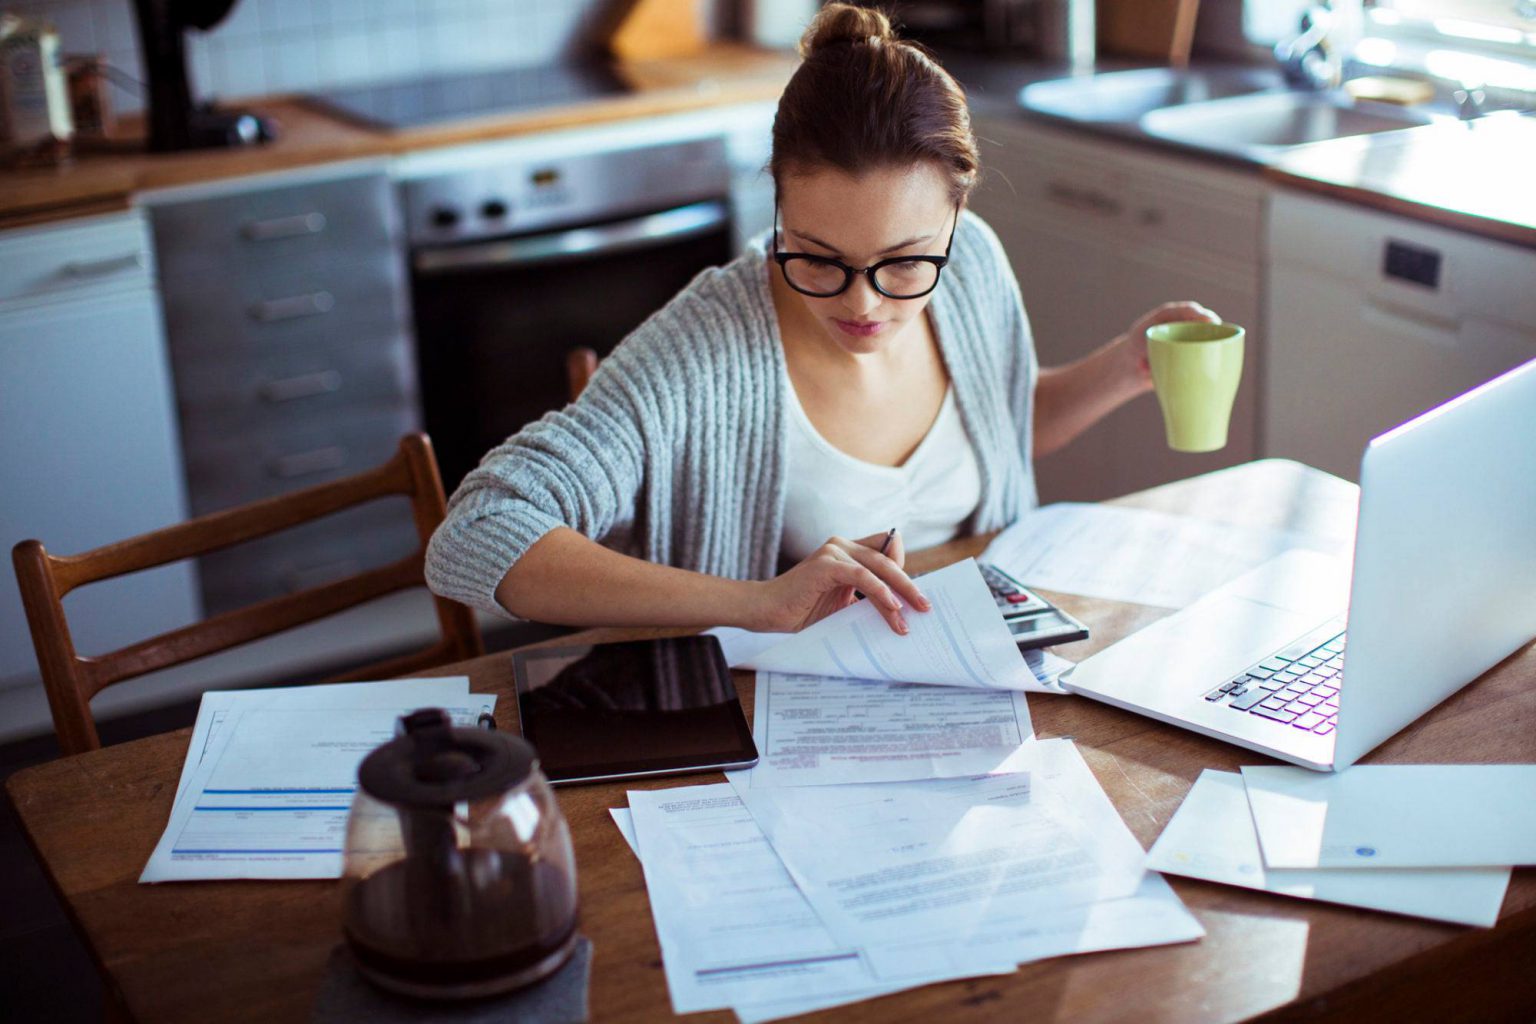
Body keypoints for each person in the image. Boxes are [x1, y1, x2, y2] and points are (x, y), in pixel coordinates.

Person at [425, 3, 1217, 637]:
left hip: (975, 676)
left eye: (906, 262)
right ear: (777, 203)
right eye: (818, 256)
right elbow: (476, 535)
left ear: (957, 215)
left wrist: (1125, 366)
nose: (862, 302)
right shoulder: (704, 351)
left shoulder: (971, 263)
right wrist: (756, 603)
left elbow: (1004, 420)